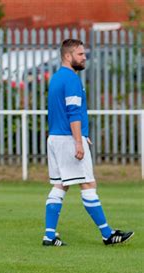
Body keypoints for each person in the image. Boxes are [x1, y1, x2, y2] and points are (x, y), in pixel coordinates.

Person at [43, 39, 134, 246]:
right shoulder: (72, 80)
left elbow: (61, 112)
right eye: (81, 54)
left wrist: (82, 134)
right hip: (68, 139)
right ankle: (107, 234)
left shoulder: (57, 78)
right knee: (88, 183)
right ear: (68, 56)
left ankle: (49, 235)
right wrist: (78, 141)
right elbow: (73, 113)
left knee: (60, 185)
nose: (85, 58)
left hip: (56, 138)